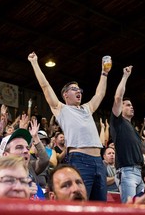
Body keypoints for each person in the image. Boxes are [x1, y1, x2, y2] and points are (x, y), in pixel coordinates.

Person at [28, 52, 111, 201]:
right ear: (65, 95)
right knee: (79, 204)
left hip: (99, 162)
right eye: (74, 89)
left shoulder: (87, 108)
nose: (78, 91)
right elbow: (45, 86)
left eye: (79, 90)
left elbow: (100, 94)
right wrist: (35, 63)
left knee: (100, 206)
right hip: (79, 159)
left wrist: (104, 73)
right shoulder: (61, 109)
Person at [109, 65, 145, 203]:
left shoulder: (132, 128)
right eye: (127, 104)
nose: (131, 106)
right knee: (129, 207)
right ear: (121, 108)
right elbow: (117, 97)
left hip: (140, 171)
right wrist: (125, 76)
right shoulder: (118, 122)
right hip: (127, 171)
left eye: (132, 105)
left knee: (140, 207)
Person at [0, 118, 49, 199]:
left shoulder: (30, 167)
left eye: (27, 148)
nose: (26, 151)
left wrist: (35, 137)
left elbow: (45, 159)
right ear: (5, 155)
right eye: (19, 147)